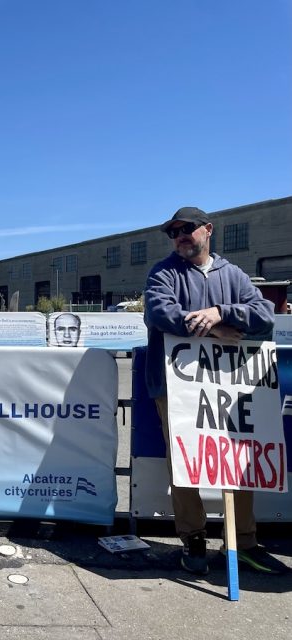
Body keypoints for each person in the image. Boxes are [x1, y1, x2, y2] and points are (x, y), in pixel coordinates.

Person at [144, 206, 285, 576]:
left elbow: (265, 314)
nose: (180, 236)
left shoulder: (233, 274)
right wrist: (213, 329)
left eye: (187, 229)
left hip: (231, 387)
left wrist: (221, 312)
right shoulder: (162, 273)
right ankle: (193, 540)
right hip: (177, 388)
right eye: (173, 232)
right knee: (186, 464)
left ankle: (244, 543)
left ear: (208, 230)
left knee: (237, 461)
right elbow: (161, 313)